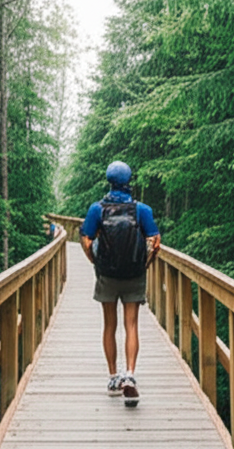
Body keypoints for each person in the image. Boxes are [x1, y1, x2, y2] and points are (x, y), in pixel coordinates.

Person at [80, 160, 161, 407]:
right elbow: (155, 241)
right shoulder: (142, 210)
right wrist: (145, 265)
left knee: (109, 325)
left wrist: (96, 261)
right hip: (133, 274)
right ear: (129, 181)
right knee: (132, 324)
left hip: (107, 275)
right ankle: (131, 374)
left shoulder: (97, 209)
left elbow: (85, 240)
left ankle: (114, 377)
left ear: (109, 181)